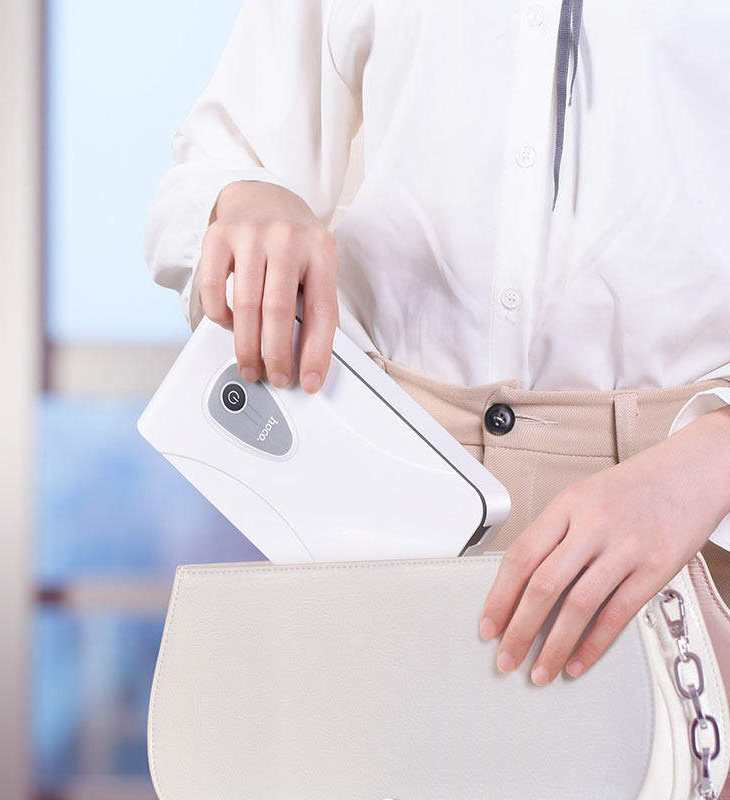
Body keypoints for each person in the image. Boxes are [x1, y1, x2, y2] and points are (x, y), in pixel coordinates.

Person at [145, 0, 730, 696]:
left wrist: (706, 467)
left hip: (688, 523)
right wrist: (247, 202)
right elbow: (225, 158)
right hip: (383, 506)